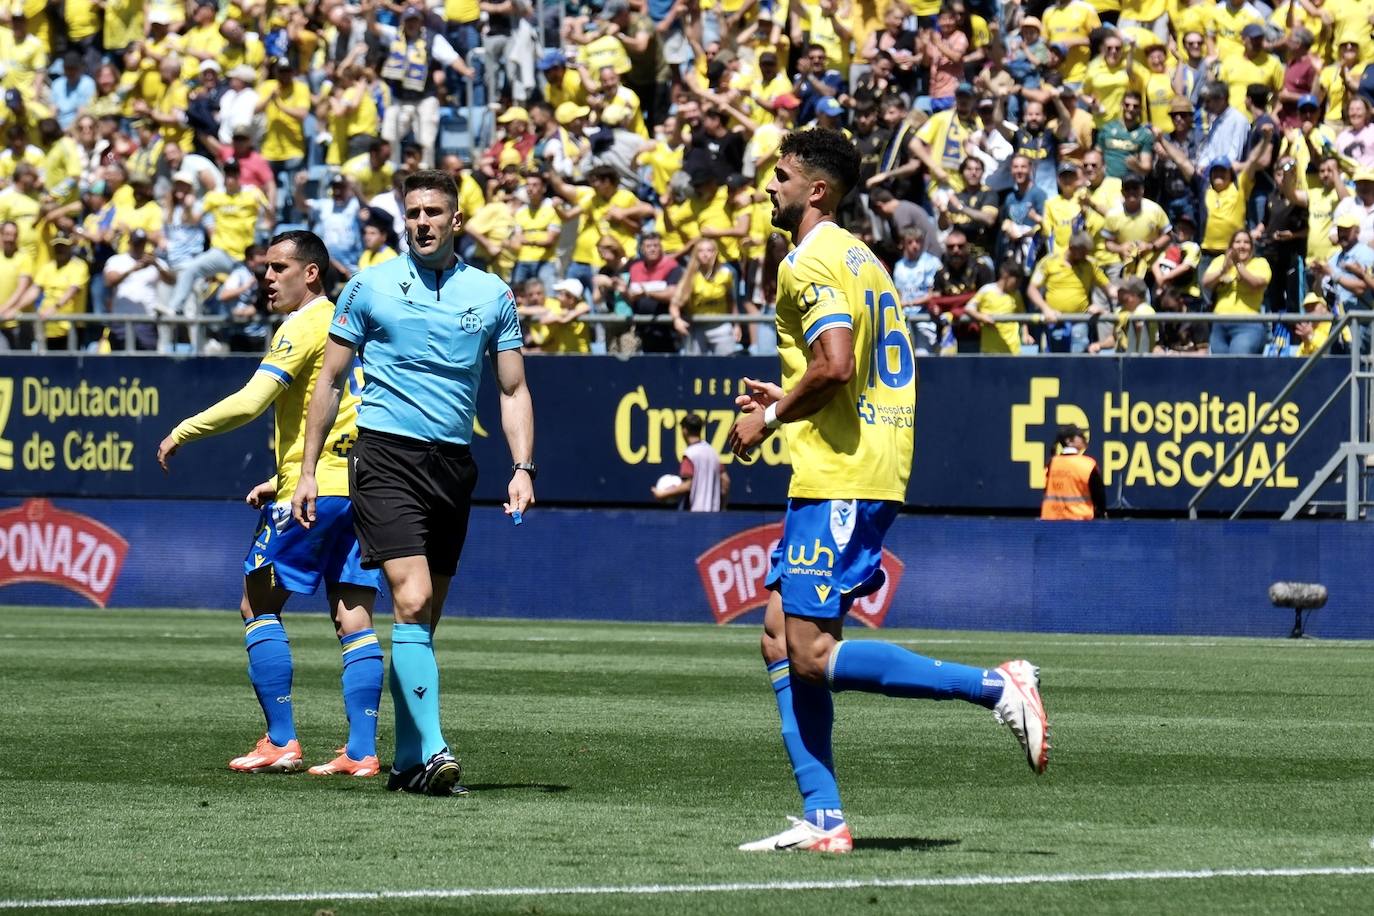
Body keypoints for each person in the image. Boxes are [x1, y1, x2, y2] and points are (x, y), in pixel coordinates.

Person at [727, 129, 1048, 854]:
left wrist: (770, 415)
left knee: (811, 654)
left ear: (816, 189)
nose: (768, 187)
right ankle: (824, 818)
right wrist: (790, 393)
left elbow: (836, 365)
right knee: (779, 636)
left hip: (844, 471)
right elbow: (849, 370)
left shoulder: (808, 261)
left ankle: (997, 688)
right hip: (850, 461)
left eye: (780, 176)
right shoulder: (861, 257)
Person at [292, 170, 534, 797]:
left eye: (434, 211)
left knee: (422, 623)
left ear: (456, 220)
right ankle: (435, 748)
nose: (422, 221)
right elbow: (329, 382)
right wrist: (308, 469)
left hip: (454, 465)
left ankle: (404, 763)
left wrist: (522, 466)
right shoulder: (369, 285)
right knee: (410, 595)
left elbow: (512, 389)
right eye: (414, 211)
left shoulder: (492, 293)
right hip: (385, 457)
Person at [156, 230, 385, 778]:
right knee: (351, 613)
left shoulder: (304, 324)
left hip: (314, 491)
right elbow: (343, 411)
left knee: (255, 604)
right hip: (361, 488)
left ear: (311, 273)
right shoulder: (353, 326)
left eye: (279, 267)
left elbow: (255, 400)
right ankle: (360, 750)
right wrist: (278, 474)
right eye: (264, 267)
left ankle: (281, 740)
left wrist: (185, 429)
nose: (267, 277)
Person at [1202, 228, 1272, 355]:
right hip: (1220, 324)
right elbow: (1206, 282)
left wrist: (1238, 265)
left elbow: (1256, 283)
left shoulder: (1260, 263)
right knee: (1220, 367)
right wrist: (1223, 269)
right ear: (1231, 246)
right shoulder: (1220, 260)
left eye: (1246, 242)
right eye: (1237, 242)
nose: (1242, 246)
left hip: (1248, 323)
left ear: (1252, 247)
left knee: (1237, 361)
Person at [650, 413, 729, 510]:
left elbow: (688, 485)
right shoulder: (713, 453)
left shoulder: (690, 454)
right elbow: (725, 481)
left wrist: (663, 494)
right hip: (714, 515)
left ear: (684, 430)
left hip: (695, 516)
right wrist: (722, 507)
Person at [1040, 423, 1105, 519]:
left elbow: (1046, 489)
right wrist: (1101, 513)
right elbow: (1099, 496)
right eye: (1080, 436)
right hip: (1079, 522)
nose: (1084, 438)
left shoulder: (1051, 463)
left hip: (1051, 521)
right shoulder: (1087, 464)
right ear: (1069, 441)